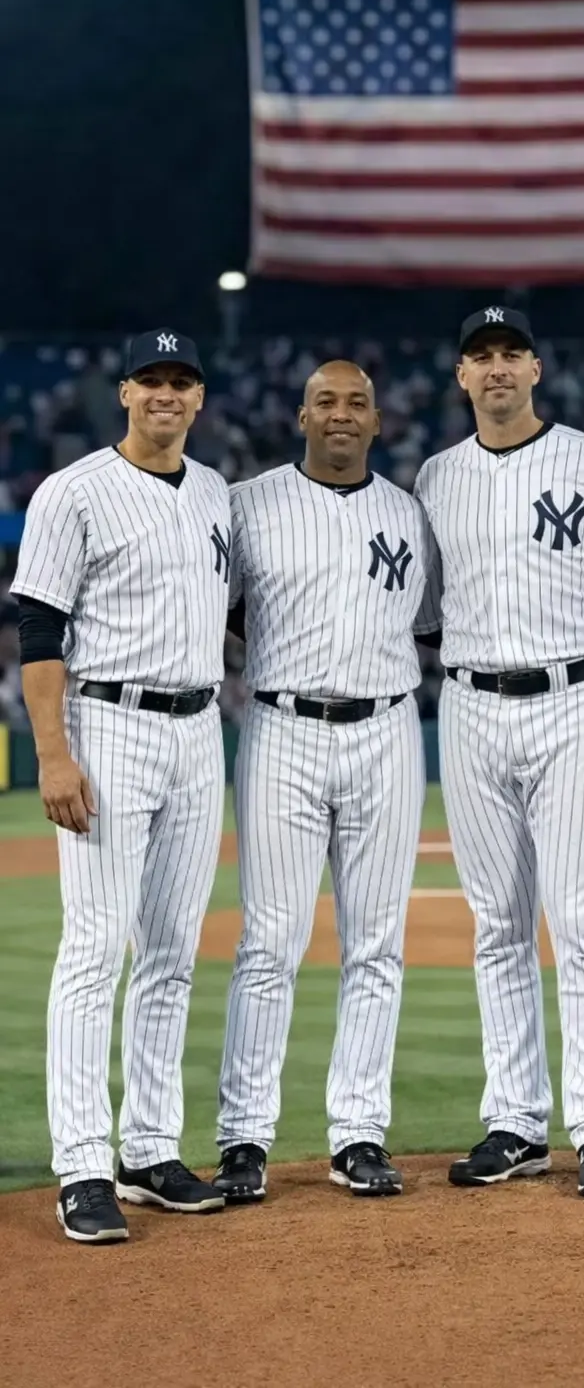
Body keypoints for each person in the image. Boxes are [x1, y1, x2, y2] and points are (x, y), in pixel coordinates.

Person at [414, 306, 584, 1197]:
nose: (497, 368)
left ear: (537, 369)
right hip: (469, 703)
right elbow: (427, 612)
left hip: (575, 698)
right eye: (481, 356)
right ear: (461, 377)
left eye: (511, 353)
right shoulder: (435, 478)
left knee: (581, 918)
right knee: (497, 924)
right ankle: (514, 1120)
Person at [12, 330, 229, 1244]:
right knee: (96, 948)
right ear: (126, 393)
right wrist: (55, 756)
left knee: (174, 950)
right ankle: (82, 1165)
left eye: (182, 381)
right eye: (152, 381)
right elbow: (37, 635)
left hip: (198, 728)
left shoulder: (216, 490)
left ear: (199, 398)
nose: (167, 395)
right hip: (109, 725)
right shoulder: (74, 491)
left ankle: (147, 1148)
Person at [212, 360, 432, 1202]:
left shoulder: (408, 514)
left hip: (386, 729)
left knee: (376, 943)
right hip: (281, 729)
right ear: (300, 416)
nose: (342, 415)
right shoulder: (251, 505)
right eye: (326, 402)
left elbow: (424, 616)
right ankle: (243, 1139)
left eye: (358, 404)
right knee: (269, 943)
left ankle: (359, 1134)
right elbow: (222, 607)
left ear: (378, 422)